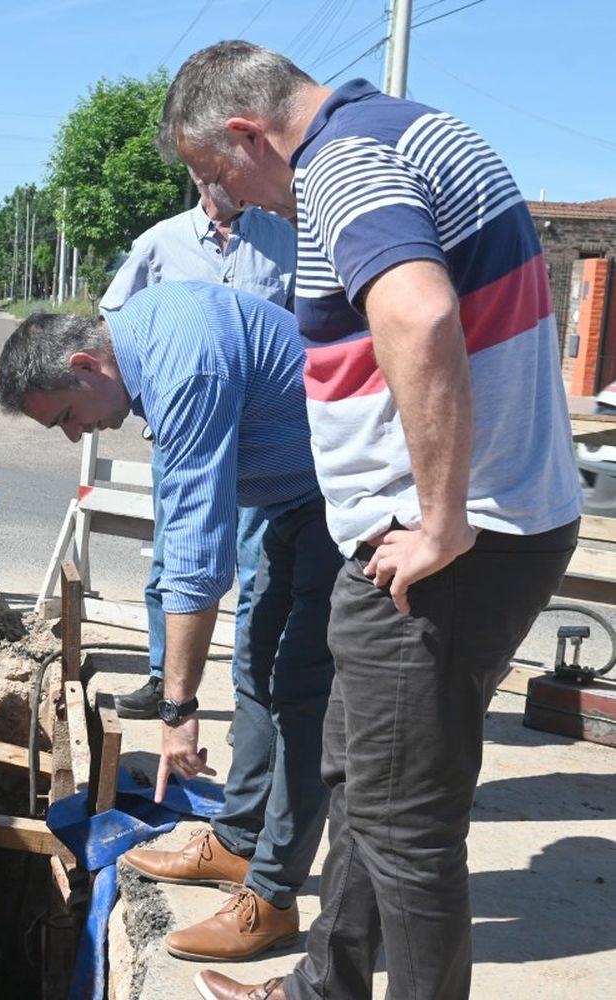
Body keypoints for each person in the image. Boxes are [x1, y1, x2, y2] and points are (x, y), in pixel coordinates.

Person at [158, 41, 581, 1000]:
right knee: (363, 789)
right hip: (450, 534)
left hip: (443, 548)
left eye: (217, 177)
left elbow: (422, 318)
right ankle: (323, 989)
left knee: (404, 830)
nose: (229, 203)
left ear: (246, 131)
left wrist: (439, 521)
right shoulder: (394, 133)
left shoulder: (342, 162)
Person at [0, 284, 339, 962]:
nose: (75, 434)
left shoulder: (185, 363)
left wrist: (177, 703)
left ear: (87, 366)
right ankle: (238, 844)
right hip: (293, 504)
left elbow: (193, 545)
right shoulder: (149, 341)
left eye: (67, 415)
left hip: (342, 506)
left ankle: (271, 898)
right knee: (255, 671)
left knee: (299, 694)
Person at [101, 182, 295, 721]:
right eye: (220, 174)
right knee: (174, 558)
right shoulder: (160, 243)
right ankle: (165, 679)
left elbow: (306, 328)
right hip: (183, 431)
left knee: (258, 571)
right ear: (201, 176)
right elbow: (111, 323)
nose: (235, 187)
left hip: (256, 436)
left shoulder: (286, 242)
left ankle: (249, 697)